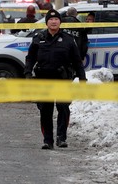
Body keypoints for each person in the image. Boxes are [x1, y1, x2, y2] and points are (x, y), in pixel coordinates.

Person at [24, 9, 86, 150]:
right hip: (43, 80)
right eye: (51, 20)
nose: (53, 22)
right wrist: (27, 73)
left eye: (56, 19)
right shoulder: (38, 38)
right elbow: (30, 58)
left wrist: (82, 79)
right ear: (46, 23)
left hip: (62, 80)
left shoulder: (68, 40)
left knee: (63, 109)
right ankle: (48, 140)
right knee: (45, 111)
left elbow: (77, 61)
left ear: (60, 22)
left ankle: (61, 138)